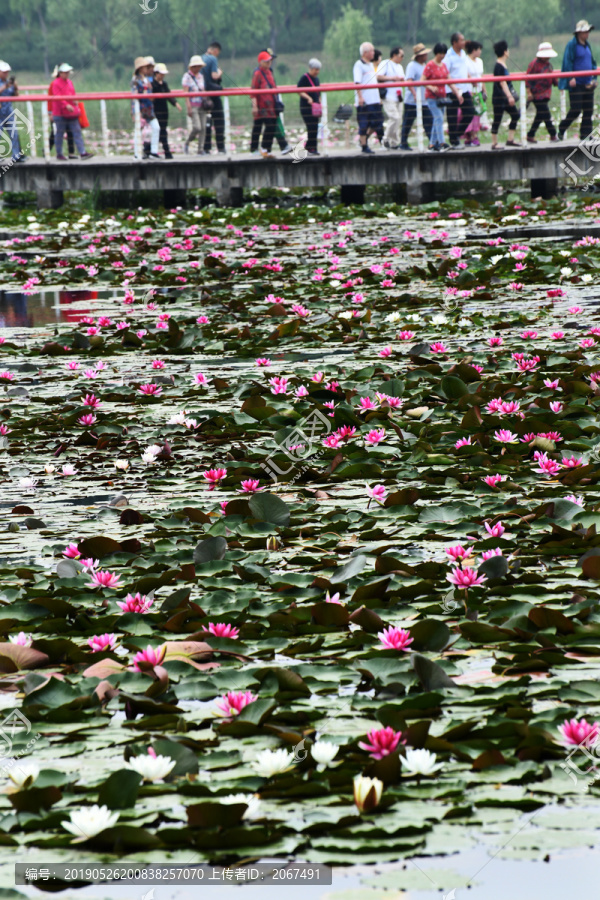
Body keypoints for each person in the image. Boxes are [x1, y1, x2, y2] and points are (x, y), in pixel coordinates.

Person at [558, 20, 597, 140]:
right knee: (576, 109)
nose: (587, 34)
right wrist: (571, 77)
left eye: (588, 31)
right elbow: (568, 61)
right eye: (585, 32)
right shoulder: (572, 45)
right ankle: (562, 127)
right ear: (579, 33)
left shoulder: (587, 45)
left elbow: (592, 63)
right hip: (577, 83)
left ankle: (586, 134)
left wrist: (594, 77)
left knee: (588, 110)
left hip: (587, 83)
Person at [50, 63, 93, 160]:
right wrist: (66, 105)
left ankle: (82, 152)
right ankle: (59, 153)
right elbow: (57, 97)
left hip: (71, 113)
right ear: (60, 73)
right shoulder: (56, 83)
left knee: (77, 131)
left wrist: (75, 101)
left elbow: (73, 94)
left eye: (68, 72)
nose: (67, 74)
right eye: (65, 72)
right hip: (59, 113)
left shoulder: (69, 82)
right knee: (59, 133)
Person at [443, 32, 475, 147]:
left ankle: (457, 134)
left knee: (470, 111)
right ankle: (454, 141)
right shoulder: (448, 56)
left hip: (464, 89)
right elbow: (446, 73)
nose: (463, 42)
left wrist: (470, 78)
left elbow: (463, 69)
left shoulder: (463, 54)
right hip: (452, 90)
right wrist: (454, 89)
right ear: (454, 42)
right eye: (461, 40)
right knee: (452, 116)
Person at [399, 43, 433, 151]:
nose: (426, 56)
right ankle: (403, 143)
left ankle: (432, 142)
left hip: (424, 100)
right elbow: (409, 81)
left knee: (429, 121)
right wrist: (414, 94)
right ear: (419, 56)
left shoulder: (424, 66)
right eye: (424, 54)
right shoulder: (412, 66)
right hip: (412, 101)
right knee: (408, 122)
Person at [353, 42, 383, 154]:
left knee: (378, 122)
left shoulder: (371, 64)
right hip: (365, 101)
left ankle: (363, 139)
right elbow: (357, 82)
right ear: (365, 53)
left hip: (374, 100)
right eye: (372, 51)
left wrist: (379, 98)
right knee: (364, 123)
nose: (374, 53)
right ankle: (364, 145)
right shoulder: (358, 65)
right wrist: (360, 97)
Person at [261, 49, 292, 155]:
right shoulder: (260, 72)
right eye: (269, 58)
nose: (271, 61)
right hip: (265, 105)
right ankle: (275, 147)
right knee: (272, 125)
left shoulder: (269, 71)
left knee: (273, 125)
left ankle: (269, 148)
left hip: (273, 102)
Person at [526, 42, 559, 143]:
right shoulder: (534, 64)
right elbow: (527, 79)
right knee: (546, 114)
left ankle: (530, 135)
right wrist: (529, 93)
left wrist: (557, 82)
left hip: (546, 94)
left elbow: (552, 77)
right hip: (536, 95)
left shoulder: (548, 65)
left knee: (540, 115)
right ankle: (553, 134)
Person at [490, 40, 520, 150]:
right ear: (505, 52)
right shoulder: (499, 66)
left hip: (504, 97)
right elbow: (503, 83)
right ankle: (494, 143)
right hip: (500, 98)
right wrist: (509, 96)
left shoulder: (503, 65)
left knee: (516, 115)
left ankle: (510, 139)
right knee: (497, 119)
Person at [423, 43, 449, 152]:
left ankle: (432, 144)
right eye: (440, 53)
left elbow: (449, 79)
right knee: (438, 118)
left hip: (442, 97)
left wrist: (457, 92)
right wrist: (431, 87)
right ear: (436, 53)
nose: (442, 55)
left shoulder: (443, 66)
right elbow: (422, 80)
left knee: (436, 120)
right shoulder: (430, 65)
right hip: (432, 97)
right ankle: (441, 143)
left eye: (444, 53)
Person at [250, 51, 277, 158]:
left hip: (271, 105)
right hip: (261, 106)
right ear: (260, 62)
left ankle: (267, 149)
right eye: (266, 61)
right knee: (262, 126)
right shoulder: (257, 74)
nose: (269, 63)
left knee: (272, 126)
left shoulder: (269, 72)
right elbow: (253, 90)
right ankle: (259, 148)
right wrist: (255, 106)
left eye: (270, 61)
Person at [377, 47, 405, 149]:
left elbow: (402, 79)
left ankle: (394, 142)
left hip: (398, 96)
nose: (402, 58)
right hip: (388, 96)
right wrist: (392, 78)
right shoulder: (385, 63)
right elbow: (378, 76)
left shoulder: (400, 67)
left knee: (399, 120)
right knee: (394, 117)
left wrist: (400, 80)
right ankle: (385, 141)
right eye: (401, 55)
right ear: (394, 55)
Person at [152, 63, 182, 159]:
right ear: (156, 73)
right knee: (159, 131)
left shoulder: (164, 84)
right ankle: (160, 151)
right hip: (156, 111)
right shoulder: (152, 85)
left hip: (164, 110)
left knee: (163, 131)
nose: (162, 76)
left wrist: (176, 103)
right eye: (161, 74)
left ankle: (164, 151)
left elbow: (168, 95)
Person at [202, 41, 225, 154]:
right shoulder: (213, 59)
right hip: (213, 95)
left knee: (207, 123)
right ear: (216, 51)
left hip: (203, 96)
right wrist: (220, 72)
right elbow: (214, 76)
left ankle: (206, 148)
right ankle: (221, 147)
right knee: (219, 121)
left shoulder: (201, 58)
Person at [182, 55, 208, 156]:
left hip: (202, 104)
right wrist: (188, 107)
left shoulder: (201, 76)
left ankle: (200, 149)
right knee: (197, 127)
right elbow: (186, 93)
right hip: (193, 105)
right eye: (197, 66)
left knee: (203, 128)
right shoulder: (186, 77)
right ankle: (187, 143)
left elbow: (203, 89)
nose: (199, 68)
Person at [0, 61, 25, 163]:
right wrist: (4, 87)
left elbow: (16, 96)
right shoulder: (4, 84)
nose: (6, 74)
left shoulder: (9, 83)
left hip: (8, 111)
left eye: (7, 72)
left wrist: (15, 87)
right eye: (4, 72)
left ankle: (16, 155)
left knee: (14, 133)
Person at [48, 65, 75, 157]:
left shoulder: (68, 82)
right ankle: (48, 150)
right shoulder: (54, 84)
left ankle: (71, 152)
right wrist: (50, 113)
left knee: (70, 132)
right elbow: (50, 99)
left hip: (67, 113)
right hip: (57, 113)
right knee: (55, 133)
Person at [297, 58, 322, 156]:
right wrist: (308, 98)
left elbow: (318, 92)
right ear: (310, 68)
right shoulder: (304, 78)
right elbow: (299, 90)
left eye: (318, 70)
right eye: (316, 69)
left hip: (315, 108)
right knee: (311, 126)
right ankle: (310, 148)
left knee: (315, 127)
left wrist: (319, 100)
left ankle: (311, 147)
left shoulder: (316, 79)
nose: (317, 72)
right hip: (306, 107)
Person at [464, 41, 485, 146]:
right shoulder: (465, 61)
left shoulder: (480, 61)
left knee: (477, 114)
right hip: (469, 91)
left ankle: (473, 135)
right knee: (471, 114)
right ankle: (471, 136)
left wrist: (484, 90)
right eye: (479, 49)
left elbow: (481, 76)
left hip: (478, 91)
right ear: (474, 50)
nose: (480, 52)